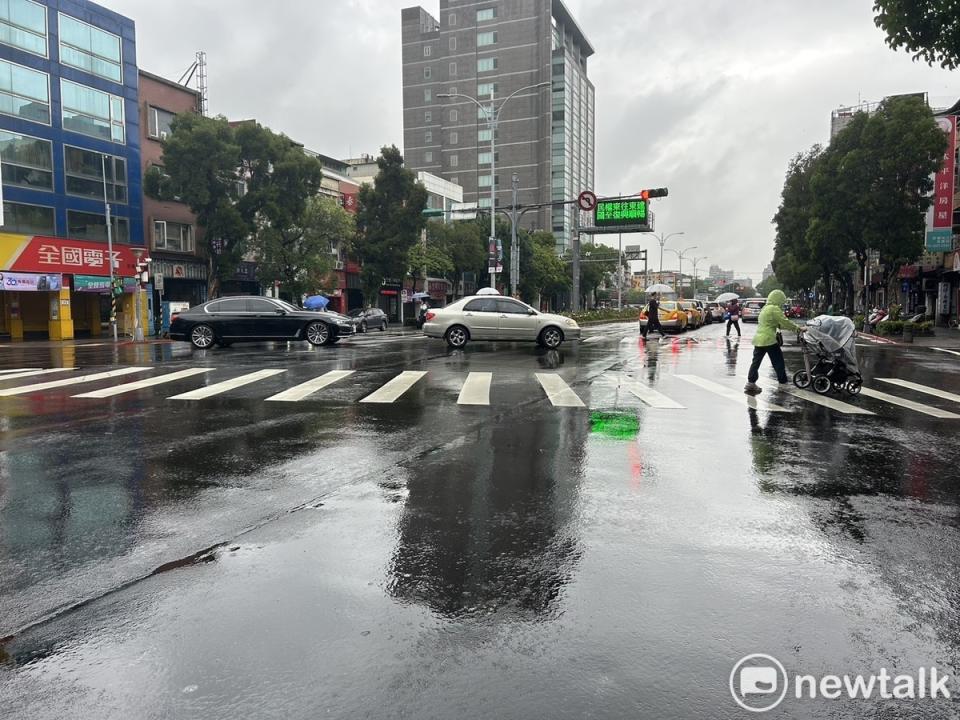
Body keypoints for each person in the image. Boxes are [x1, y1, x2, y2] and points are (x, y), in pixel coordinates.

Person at [744, 289, 804, 395]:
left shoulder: (765, 309)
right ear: (778, 299)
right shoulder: (774, 309)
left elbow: (772, 322)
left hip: (758, 339)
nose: (782, 303)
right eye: (782, 300)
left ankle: (751, 383)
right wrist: (798, 329)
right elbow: (785, 322)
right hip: (769, 339)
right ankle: (783, 383)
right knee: (778, 361)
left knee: (756, 362)